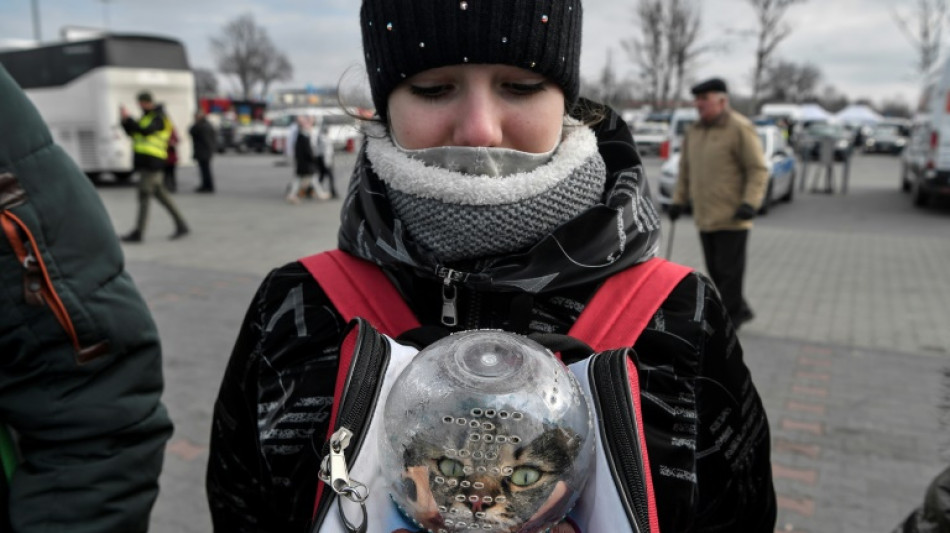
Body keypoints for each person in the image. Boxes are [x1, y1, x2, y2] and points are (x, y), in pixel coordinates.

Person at [206, 2, 776, 532]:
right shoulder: (297, 305)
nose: (479, 128)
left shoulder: (679, 314)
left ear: (567, 101)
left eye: (521, 86)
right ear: (383, 106)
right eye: (432, 89)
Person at [0, 65, 173, 532]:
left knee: (151, 197)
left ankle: (169, 222)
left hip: (151, 168)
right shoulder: (146, 118)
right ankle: (168, 221)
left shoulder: (157, 118)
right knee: (149, 199)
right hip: (146, 167)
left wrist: (138, 129)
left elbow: (94, 397)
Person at [668, 78, 769, 330]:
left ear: (722, 101)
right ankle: (740, 310)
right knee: (716, 271)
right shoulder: (695, 131)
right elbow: (685, 170)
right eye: (697, 99)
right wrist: (678, 200)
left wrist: (750, 202)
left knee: (729, 275)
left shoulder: (739, 128)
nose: (698, 104)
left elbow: (758, 169)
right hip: (705, 215)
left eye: (704, 99)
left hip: (733, 216)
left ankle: (729, 324)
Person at [120, 90, 190, 242]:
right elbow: (134, 133)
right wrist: (125, 122)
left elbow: (145, 131)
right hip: (147, 162)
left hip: (153, 163)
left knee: (144, 195)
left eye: (142, 102)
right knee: (162, 196)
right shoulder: (146, 117)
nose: (140, 105)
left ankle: (138, 232)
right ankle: (181, 224)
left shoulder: (159, 117)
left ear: (148, 102)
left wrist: (130, 120)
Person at [287, 115, 320, 204]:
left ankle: (313, 193)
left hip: (303, 163)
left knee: (306, 178)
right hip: (305, 163)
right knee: (307, 178)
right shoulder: (303, 137)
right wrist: (313, 158)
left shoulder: (300, 136)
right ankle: (294, 195)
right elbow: (307, 151)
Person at [190, 109, 217, 193]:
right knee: (205, 170)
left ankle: (207, 186)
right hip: (205, 151)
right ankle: (207, 185)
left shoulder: (202, 126)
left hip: (203, 151)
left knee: (205, 170)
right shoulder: (207, 125)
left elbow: (192, 131)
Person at [315, 123, 338, 199]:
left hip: (320, 159)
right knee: (330, 177)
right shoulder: (325, 139)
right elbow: (327, 152)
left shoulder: (320, 138)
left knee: (321, 176)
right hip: (325, 160)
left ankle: (313, 190)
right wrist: (327, 163)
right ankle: (333, 192)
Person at [163, 127, 179, 192]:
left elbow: (177, 139)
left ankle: (172, 186)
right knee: (166, 173)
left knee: (171, 173)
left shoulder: (171, 130)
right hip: (165, 157)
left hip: (170, 157)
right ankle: (167, 186)